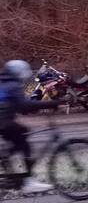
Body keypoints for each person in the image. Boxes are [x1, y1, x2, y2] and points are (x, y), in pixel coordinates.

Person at [0, 60, 60, 193]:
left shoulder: (4, 83)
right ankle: (28, 182)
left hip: (3, 121)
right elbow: (25, 106)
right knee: (24, 140)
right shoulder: (13, 85)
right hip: (3, 122)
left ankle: (7, 160)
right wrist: (51, 104)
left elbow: (20, 107)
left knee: (20, 135)